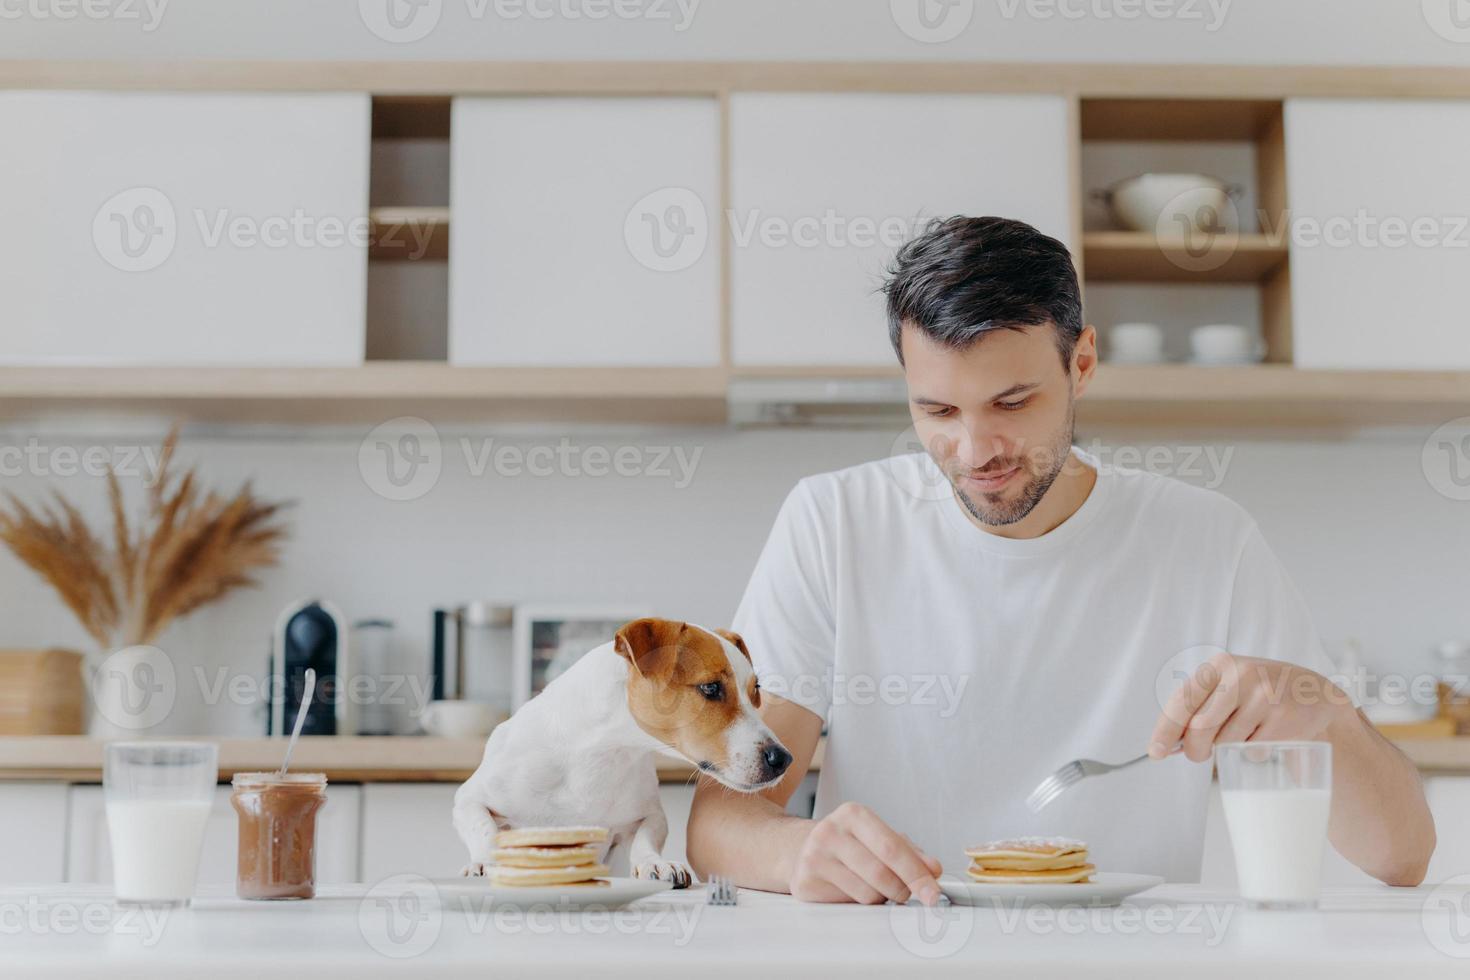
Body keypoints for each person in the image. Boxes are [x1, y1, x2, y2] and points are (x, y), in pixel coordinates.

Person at [685, 216, 1434, 905]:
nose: (974, 452)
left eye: (1012, 403)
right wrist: (799, 854)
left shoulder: (1210, 542)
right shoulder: (834, 525)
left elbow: (1403, 856)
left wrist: (1320, 712)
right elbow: (721, 824)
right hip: (901, 948)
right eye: (938, 411)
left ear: (1082, 363)